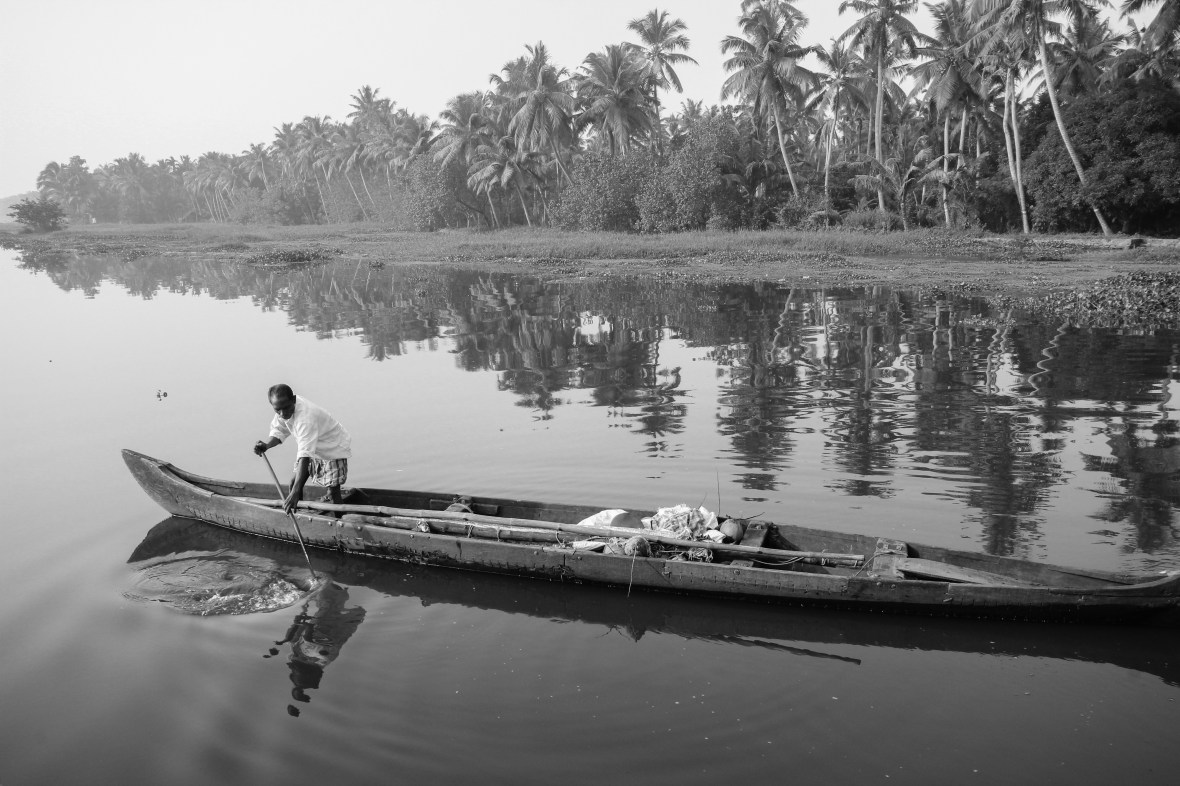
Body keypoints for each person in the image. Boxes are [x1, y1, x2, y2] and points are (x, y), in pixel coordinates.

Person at [253, 384, 352, 515]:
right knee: (294, 483)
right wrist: (266, 445)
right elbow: (279, 431)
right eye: (278, 410)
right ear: (273, 406)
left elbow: (305, 455)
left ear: (293, 400)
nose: (283, 413)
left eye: (286, 408)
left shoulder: (305, 419)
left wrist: (295, 492)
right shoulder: (283, 408)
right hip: (313, 447)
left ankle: (341, 525)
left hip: (332, 447)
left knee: (334, 492)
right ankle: (299, 516)